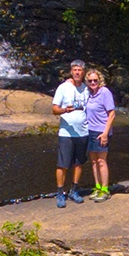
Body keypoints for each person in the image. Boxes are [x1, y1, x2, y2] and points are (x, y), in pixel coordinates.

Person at [50, 59, 91, 203]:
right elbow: (54, 109)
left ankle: (74, 191)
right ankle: (60, 193)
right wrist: (64, 110)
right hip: (66, 133)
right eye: (75, 70)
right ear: (71, 72)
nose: (77, 72)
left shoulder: (87, 88)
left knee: (79, 163)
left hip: (83, 132)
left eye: (80, 70)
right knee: (62, 164)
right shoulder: (63, 87)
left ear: (83, 72)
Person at [83, 68, 116, 200]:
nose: (92, 82)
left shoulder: (104, 92)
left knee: (101, 161)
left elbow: (112, 114)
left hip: (101, 131)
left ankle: (105, 189)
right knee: (93, 161)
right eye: (90, 80)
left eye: (95, 80)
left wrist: (105, 133)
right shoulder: (89, 93)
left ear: (100, 80)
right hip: (89, 131)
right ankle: (97, 187)